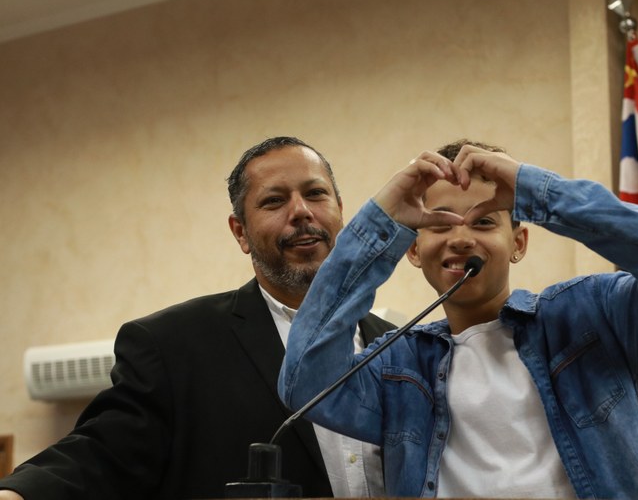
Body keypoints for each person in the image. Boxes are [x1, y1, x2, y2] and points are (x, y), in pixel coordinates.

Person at [279, 140, 638, 499]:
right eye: (440, 225)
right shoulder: (399, 365)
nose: (460, 238)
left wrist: (536, 190)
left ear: (518, 243)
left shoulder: (591, 314)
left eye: (483, 222)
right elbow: (304, 380)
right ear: (413, 250)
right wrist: (380, 222)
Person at [0, 136, 393, 500]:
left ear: (341, 211)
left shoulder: (399, 345)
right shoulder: (173, 345)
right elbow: (100, 453)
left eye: (315, 194)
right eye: (274, 201)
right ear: (240, 232)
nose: (301, 212)